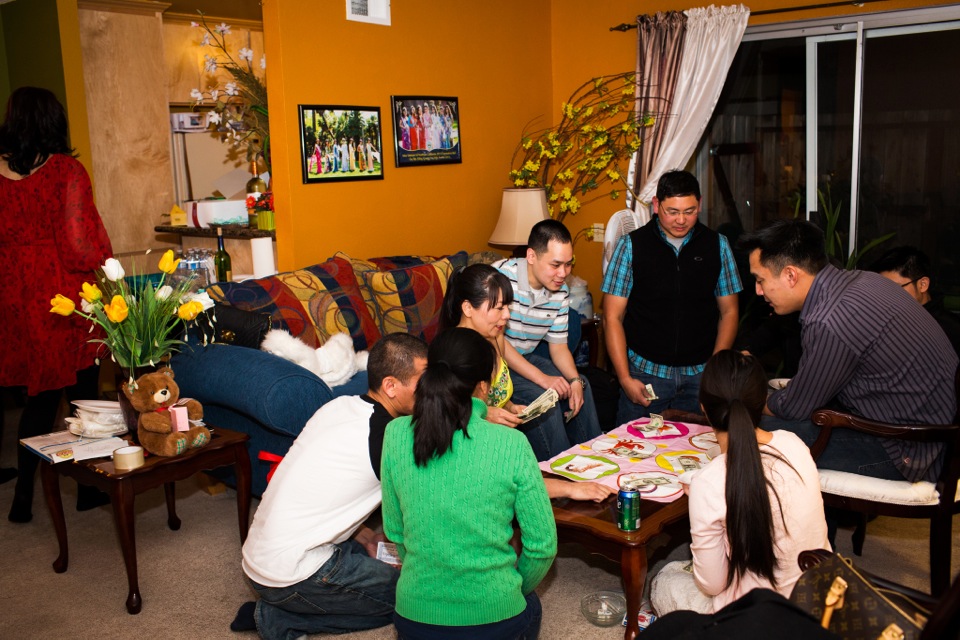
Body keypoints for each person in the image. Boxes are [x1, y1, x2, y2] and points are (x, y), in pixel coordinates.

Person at [233, 333, 428, 639]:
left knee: (377, 556)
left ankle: (290, 606)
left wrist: (362, 533)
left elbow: (325, 490)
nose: (430, 391)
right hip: (289, 576)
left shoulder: (341, 405)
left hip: (261, 559)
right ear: (390, 386)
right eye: (423, 382)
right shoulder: (388, 440)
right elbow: (419, 518)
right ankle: (279, 619)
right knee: (415, 596)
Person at [739, 220, 957, 482]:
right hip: (937, 432)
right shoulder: (863, 281)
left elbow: (794, 407)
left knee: (743, 426)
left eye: (760, 280)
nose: (758, 290)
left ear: (790, 275)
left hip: (910, 448)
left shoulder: (829, 318)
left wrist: (750, 401)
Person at [381, 328, 557, 639]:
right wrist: (512, 587)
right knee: (531, 606)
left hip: (415, 617)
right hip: (495, 618)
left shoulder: (394, 434)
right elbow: (542, 547)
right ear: (483, 387)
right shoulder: (512, 443)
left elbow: (395, 531)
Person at [0, 86, 114, 523]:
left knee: (39, 398)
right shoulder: (66, 170)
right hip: (61, 291)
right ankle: (87, 490)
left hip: (15, 294)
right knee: (84, 395)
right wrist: (106, 261)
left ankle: (22, 499)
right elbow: (79, 245)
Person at [650, 351, 830, 615]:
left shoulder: (709, 482)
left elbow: (712, 584)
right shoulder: (795, 444)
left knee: (665, 579)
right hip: (819, 603)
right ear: (762, 401)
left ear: (703, 406)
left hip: (753, 619)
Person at [441, 264, 615, 503]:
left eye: (507, 307)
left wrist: (510, 406)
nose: (507, 316)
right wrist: (485, 413)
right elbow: (440, 410)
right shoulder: (454, 353)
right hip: (474, 456)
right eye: (498, 308)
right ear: (468, 308)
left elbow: (498, 392)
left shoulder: (495, 336)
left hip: (502, 444)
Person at [602, 170, 742, 425]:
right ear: (656, 206)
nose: (681, 220)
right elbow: (612, 316)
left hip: (700, 374)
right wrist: (624, 378)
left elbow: (730, 311)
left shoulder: (717, 245)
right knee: (634, 453)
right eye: (672, 211)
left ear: (699, 204)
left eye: (689, 211)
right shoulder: (631, 245)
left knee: (696, 456)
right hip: (644, 373)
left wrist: (714, 372)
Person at [494, 220, 602, 460]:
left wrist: (573, 380)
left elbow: (559, 347)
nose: (563, 273)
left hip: (525, 357)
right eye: (555, 265)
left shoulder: (560, 291)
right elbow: (497, 342)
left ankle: (594, 464)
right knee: (546, 396)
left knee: (581, 383)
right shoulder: (501, 279)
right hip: (494, 360)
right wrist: (543, 379)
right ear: (531, 256)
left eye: (568, 264)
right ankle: (560, 475)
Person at [870, 245, 960, 357]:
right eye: (884, 289)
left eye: (896, 288)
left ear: (923, 284)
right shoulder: (884, 321)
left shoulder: (949, 330)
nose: (888, 296)